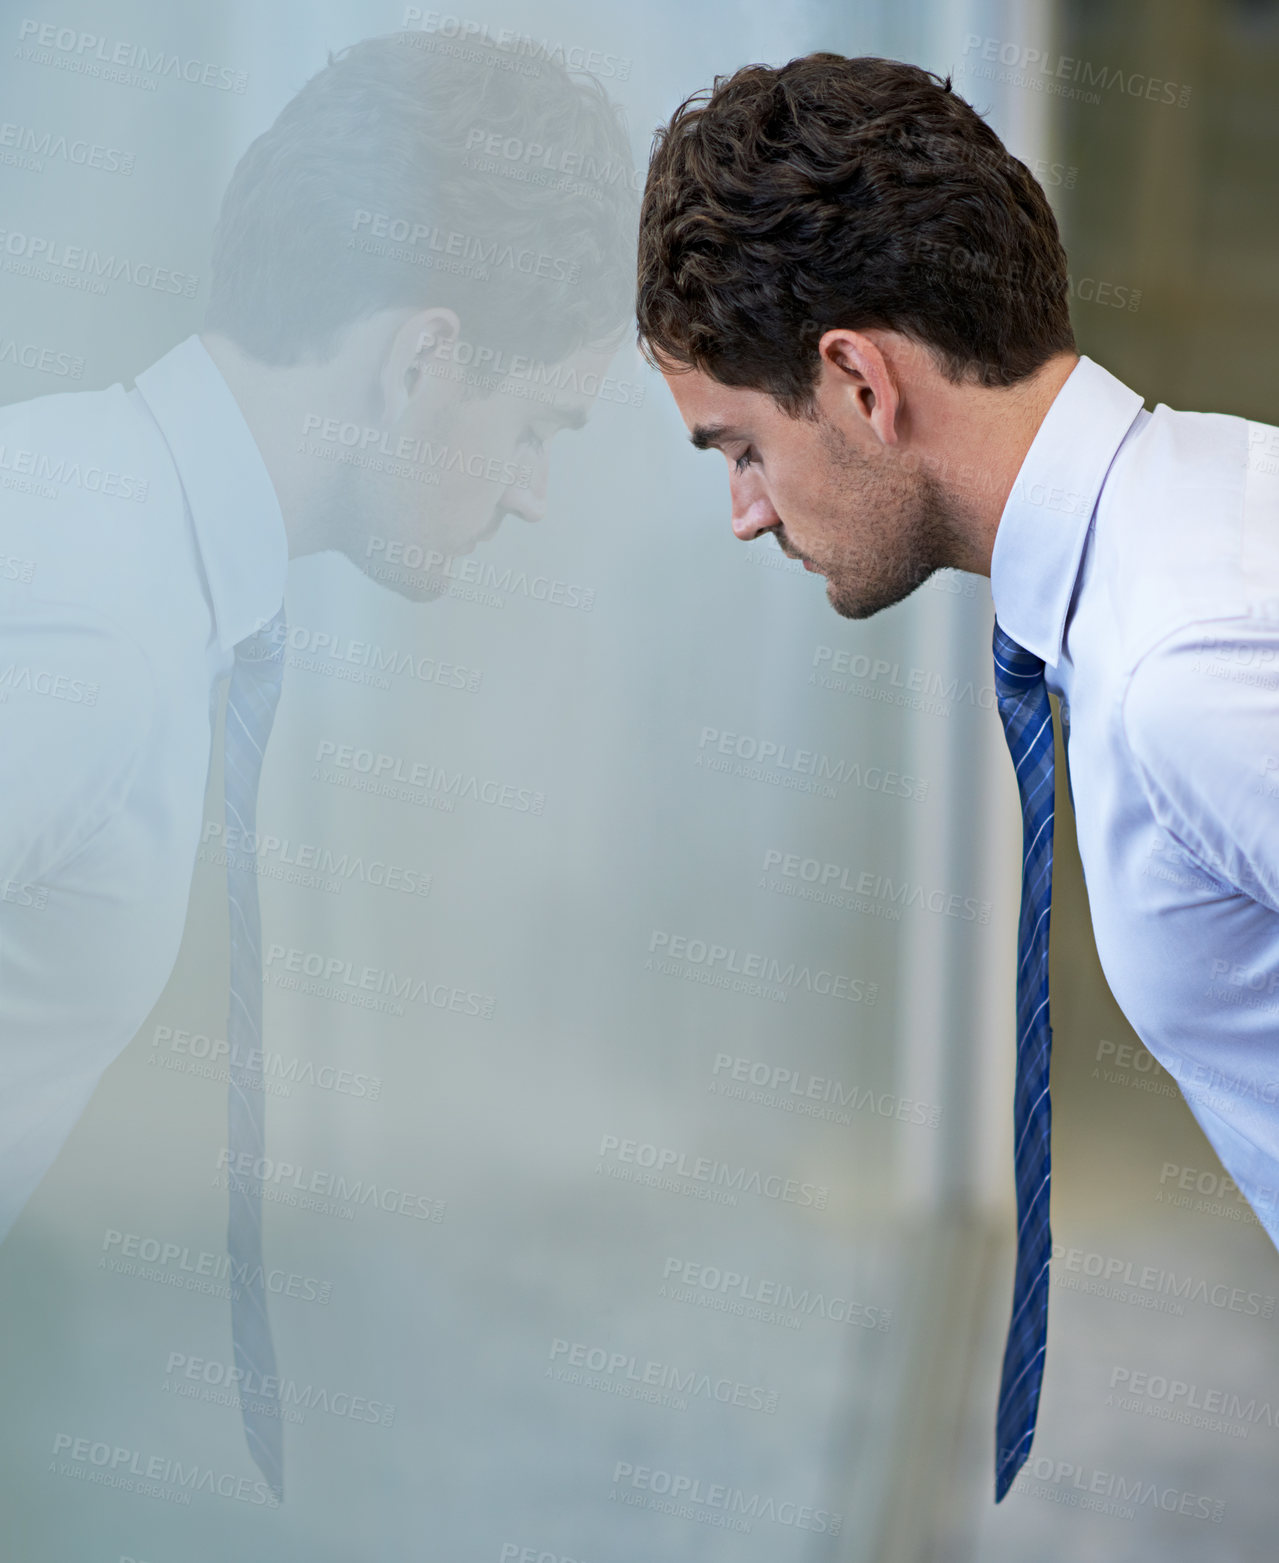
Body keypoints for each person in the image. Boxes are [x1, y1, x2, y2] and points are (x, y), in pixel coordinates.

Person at [636, 50, 1279, 1502]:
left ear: (858, 381)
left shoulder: (1183, 667)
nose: (746, 514)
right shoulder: (1215, 503)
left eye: (740, 445)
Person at [0, 27, 635, 1497]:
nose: (534, 494)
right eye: (537, 426)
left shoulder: (89, 504)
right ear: (424, 358)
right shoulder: (99, 617)